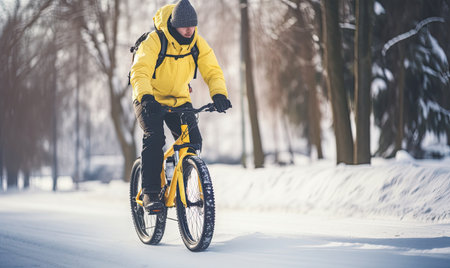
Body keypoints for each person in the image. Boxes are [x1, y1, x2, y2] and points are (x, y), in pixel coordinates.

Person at [130, 0, 231, 212]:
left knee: (193, 141)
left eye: (192, 25)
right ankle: (150, 191)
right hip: (150, 99)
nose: (189, 30)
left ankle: (180, 187)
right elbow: (140, 71)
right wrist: (146, 97)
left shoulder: (197, 43)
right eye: (184, 25)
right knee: (155, 137)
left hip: (179, 99)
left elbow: (212, 70)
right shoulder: (155, 41)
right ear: (174, 24)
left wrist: (219, 94)